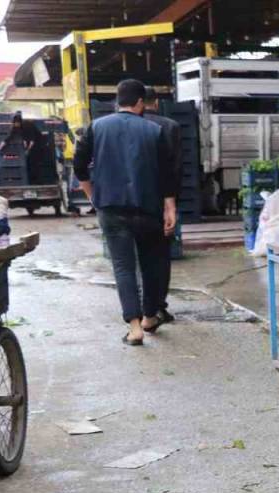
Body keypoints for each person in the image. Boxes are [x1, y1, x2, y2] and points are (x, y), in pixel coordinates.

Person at [73, 79, 177, 346]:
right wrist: (170, 208)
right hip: (147, 208)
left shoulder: (97, 127)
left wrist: (92, 196)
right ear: (141, 102)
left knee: (123, 266)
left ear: (117, 102)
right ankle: (150, 317)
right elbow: (168, 174)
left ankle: (134, 328)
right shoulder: (155, 130)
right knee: (151, 264)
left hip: (111, 207)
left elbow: (79, 165)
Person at [143, 88, 182, 328]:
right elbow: (175, 167)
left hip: (133, 200)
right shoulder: (169, 126)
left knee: (138, 259)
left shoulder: (125, 125)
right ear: (155, 102)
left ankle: (143, 310)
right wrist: (173, 202)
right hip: (162, 199)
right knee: (160, 257)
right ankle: (158, 305)